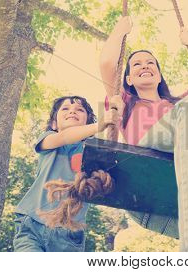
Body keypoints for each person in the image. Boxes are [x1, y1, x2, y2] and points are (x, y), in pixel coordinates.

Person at [100, 16, 188, 251]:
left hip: (184, 193)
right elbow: (107, 64)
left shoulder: (178, 103)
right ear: (128, 78)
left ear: (158, 75)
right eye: (136, 64)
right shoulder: (125, 100)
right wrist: (120, 30)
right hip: (146, 179)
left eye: (151, 63)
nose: (145, 66)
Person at [13, 96, 114, 251]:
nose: (72, 110)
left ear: (86, 123)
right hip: (32, 225)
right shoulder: (48, 140)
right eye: (65, 109)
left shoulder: (92, 153)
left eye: (80, 110)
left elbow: (115, 154)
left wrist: (116, 114)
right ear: (54, 124)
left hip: (69, 233)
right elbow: (65, 137)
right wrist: (99, 125)